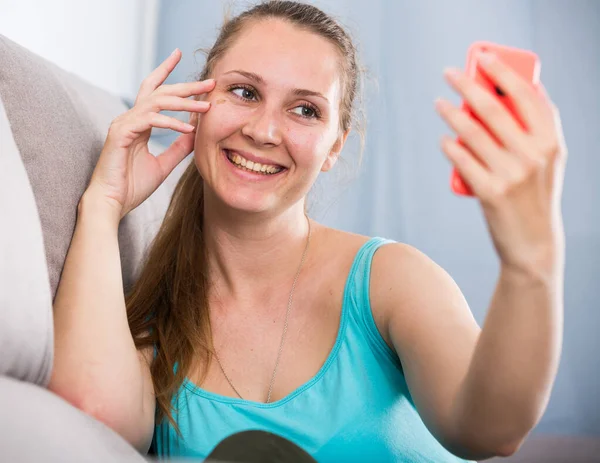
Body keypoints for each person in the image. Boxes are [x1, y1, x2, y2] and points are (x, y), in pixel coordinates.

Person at [48, 1, 568, 462]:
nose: (263, 131)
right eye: (245, 91)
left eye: (304, 109)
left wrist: (531, 262)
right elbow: (95, 419)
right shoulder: (155, 318)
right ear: (198, 105)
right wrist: (102, 203)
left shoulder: (391, 280)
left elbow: (487, 431)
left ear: (335, 147)